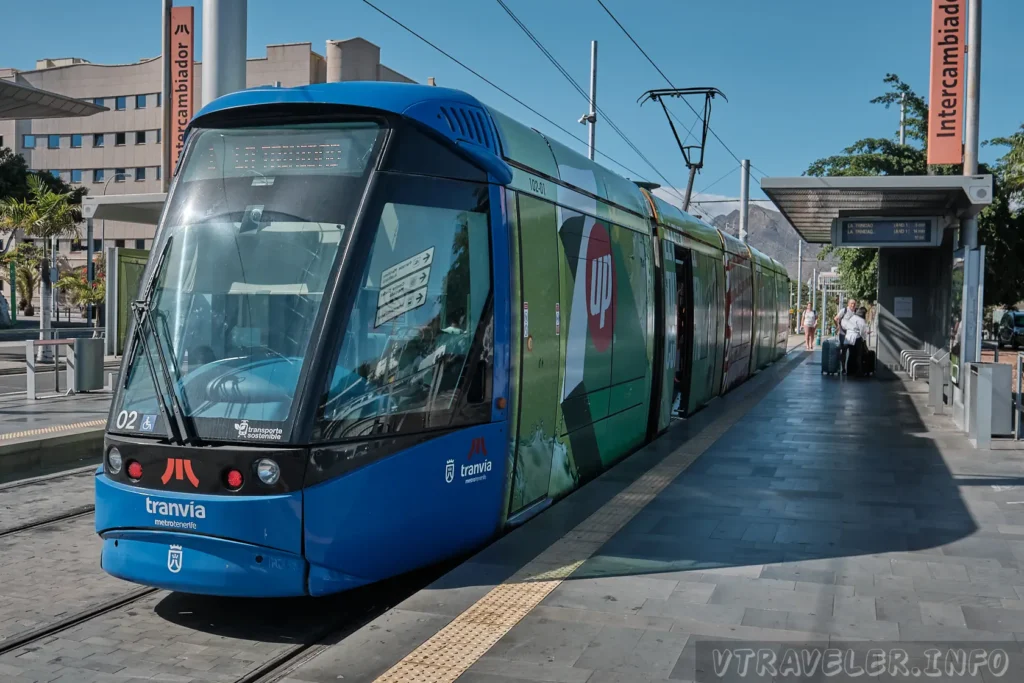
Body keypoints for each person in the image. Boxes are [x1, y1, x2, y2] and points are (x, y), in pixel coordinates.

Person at [841, 306, 869, 376]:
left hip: (848, 336)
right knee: (858, 354)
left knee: (851, 353)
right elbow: (862, 332)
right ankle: (859, 370)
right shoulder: (861, 320)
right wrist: (864, 340)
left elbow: (845, 325)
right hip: (856, 337)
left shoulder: (853, 317)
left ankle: (848, 370)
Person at [834, 298, 857, 374]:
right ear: (848, 304)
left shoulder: (855, 312)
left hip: (852, 334)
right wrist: (838, 326)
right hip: (843, 334)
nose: (853, 305)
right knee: (844, 350)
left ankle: (850, 368)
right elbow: (836, 318)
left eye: (854, 304)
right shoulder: (844, 311)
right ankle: (843, 368)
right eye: (851, 303)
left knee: (852, 351)